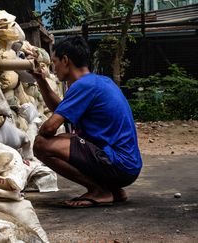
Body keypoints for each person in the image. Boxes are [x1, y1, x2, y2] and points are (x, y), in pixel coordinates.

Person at [32, 36, 142, 208]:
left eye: (55, 62)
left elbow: (50, 127)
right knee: (70, 139)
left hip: (118, 164)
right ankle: (114, 190)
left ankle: (99, 191)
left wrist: (44, 134)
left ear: (66, 60)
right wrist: (41, 80)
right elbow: (62, 109)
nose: (54, 68)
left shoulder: (83, 86)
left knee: (41, 145)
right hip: (127, 165)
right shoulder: (98, 81)